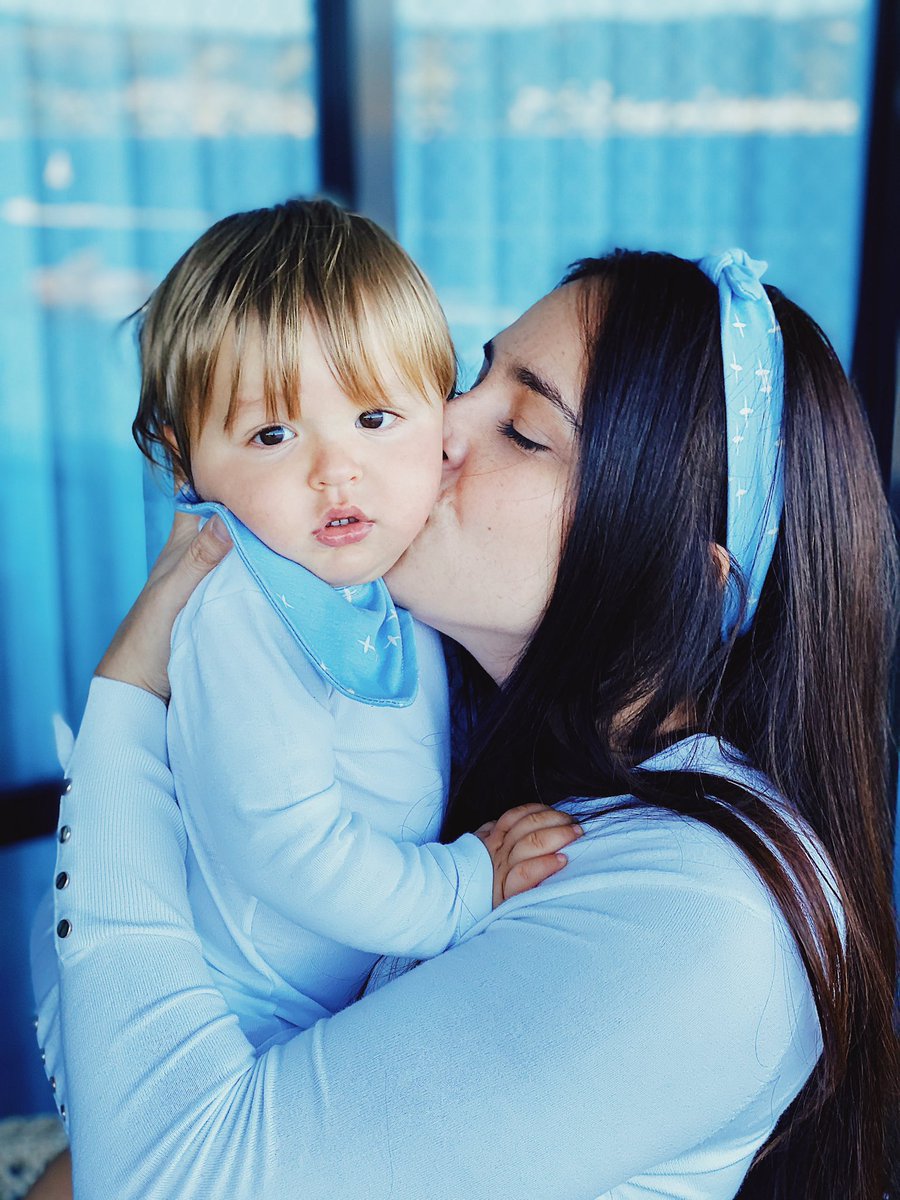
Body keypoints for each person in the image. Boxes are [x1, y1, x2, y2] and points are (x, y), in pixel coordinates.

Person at [29, 248, 898, 1200]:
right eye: (469, 379)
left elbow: (166, 1183)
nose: (437, 427)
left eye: (523, 431)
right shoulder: (492, 751)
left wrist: (125, 707)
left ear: (685, 580)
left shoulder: (703, 922)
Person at [117, 197, 581, 1052]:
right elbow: (285, 841)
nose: (336, 471)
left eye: (374, 421)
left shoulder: (388, 582)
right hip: (244, 1018)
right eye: (272, 433)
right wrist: (462, 887)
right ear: (186, 460)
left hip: (334, 999)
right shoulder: (246, 613)